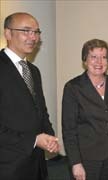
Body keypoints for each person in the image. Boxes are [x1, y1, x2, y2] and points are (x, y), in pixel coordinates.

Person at [0, 12, 60, 180]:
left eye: (36, 32)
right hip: (8, 166)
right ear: (8, 33)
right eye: (26, 31)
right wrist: (33, 141)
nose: (33, 37)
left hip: (37, 164)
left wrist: (50, 137)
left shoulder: (33, 71)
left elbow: (41, 110)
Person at [62, 39, 108, 180]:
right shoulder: (73, 88)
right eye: (93, 57)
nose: (99, 62)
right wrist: (75, 162)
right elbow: (69, 130)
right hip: (86, 158)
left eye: (103, 57)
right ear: (85, 60)